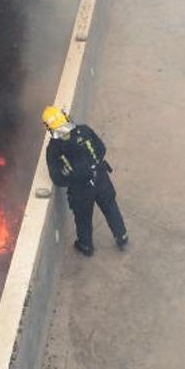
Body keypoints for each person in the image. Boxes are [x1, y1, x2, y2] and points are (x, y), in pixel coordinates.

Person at [42, 106, 128, 256]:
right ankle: (122, 236)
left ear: (49, 128)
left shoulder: (53, 149)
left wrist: (73, 179)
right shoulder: (84, 130)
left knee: (83, 218)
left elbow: (57, 179)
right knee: (111, 208)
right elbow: (101, 149)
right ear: (66, 117)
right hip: (101, 178)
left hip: (80, 190)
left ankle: (85, 245)